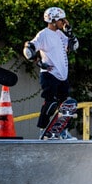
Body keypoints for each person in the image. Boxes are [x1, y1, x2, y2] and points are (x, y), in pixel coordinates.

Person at [23, 7, 79, 140]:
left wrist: (70, 34)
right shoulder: (43, 34)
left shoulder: (60, 34)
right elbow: (29, 50)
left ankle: (63, 132)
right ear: (53, 20)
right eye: (61, 20)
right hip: (49, 75)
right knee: (50, 103)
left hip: (62, 75)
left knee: (65, 107)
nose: (64, 22)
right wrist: (38, 62)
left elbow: (74, 46)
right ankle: (43, 129)